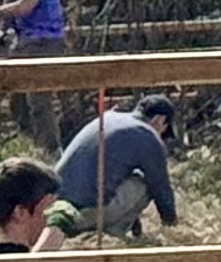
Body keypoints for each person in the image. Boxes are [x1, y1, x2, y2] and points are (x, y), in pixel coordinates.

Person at [52, 97, 179, 239]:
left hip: (55, 207)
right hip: (83, 214)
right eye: (163, 132)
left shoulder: (108, 117)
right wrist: (173, 226)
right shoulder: (147, 135)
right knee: (145, 182)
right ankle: (113, 233)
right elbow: (161, 188)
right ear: (160, 120)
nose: (161, 137)